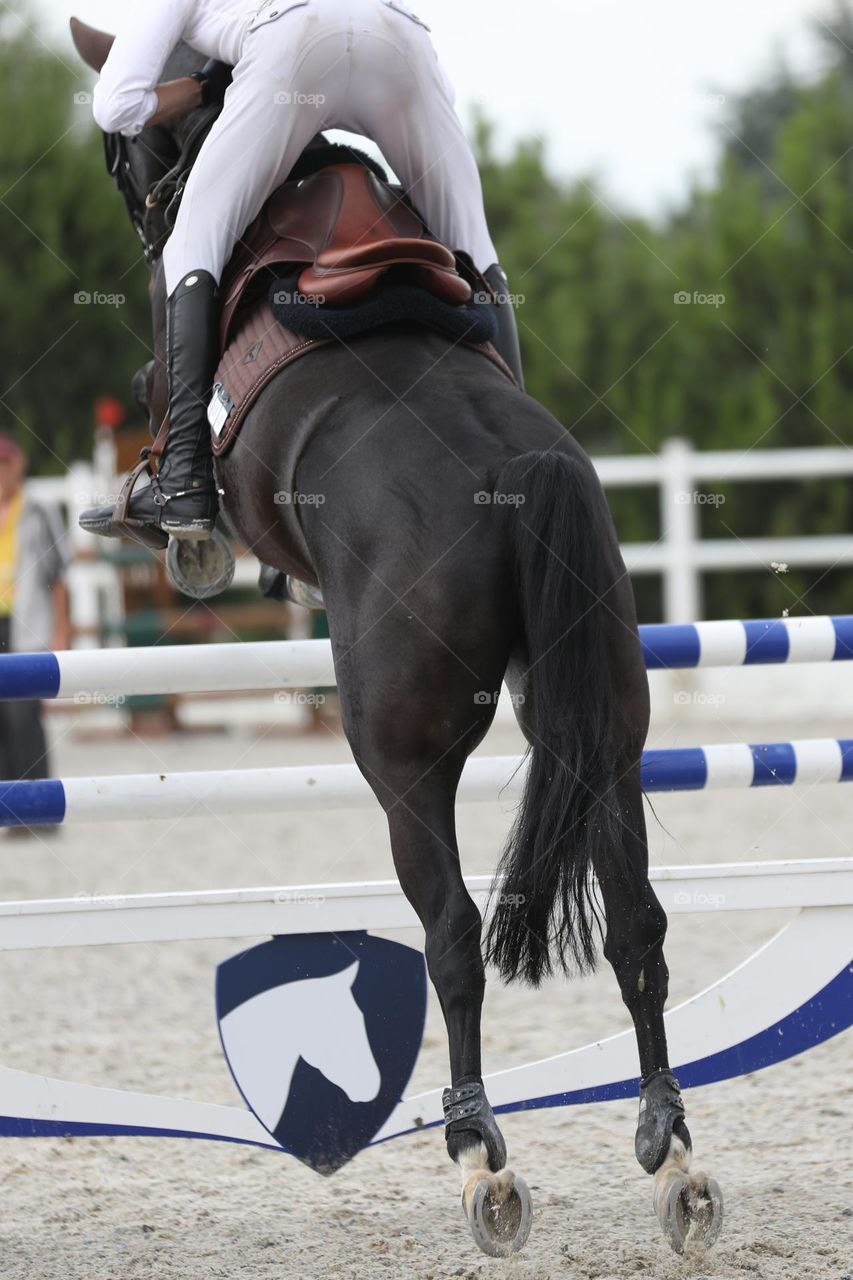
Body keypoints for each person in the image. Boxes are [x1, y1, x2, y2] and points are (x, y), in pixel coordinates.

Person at [83, 0, 524, 545]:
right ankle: (519, 450)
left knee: (189, 247)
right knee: (477, 252)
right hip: (401, 39)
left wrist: (201, 89)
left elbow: (116, 105)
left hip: (293, 43)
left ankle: (184, 479)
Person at [0, 436, 71, 819]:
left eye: (4, 464)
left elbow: (58, 576)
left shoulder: (39, 511)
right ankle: (8, 809)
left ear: (18, 466)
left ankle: (37, 807)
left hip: (26, 619)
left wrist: (62, 628)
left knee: (24, 714)